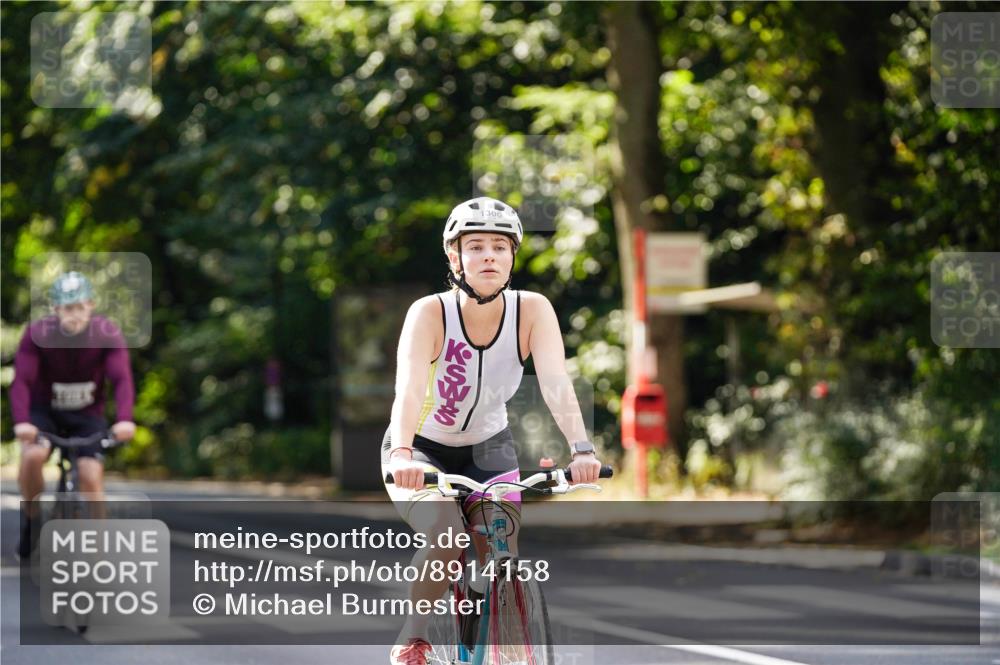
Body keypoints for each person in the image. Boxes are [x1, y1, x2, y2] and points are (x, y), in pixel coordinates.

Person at [382, 197, 602, 665]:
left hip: (490, 447)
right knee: (446, 535)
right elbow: (409, 388)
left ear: (512, 258)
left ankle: (500, 639)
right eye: (476, 245)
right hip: (421, 448)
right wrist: (401, 453)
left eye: (500, 247)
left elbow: (556, 383)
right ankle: (414, 636)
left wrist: (582, 450)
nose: (488, 256)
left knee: (498, 541)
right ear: (454, 256)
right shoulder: (430, 313)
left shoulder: (532, 310)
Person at [10, 271, 136, 559]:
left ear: (90, 305)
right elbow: (22, 381)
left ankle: (101, 547)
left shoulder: (106, 334)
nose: (75, 315)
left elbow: (122, 379)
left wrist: (125, 419)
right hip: (45, 413)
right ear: (56, 310)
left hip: (86, 415)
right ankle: (31, 520)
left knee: (91, 474)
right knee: (32, 456)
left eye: (80, 307)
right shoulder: (37, 334)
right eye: (68, 308)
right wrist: (21, 422)